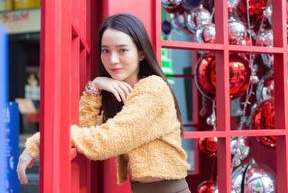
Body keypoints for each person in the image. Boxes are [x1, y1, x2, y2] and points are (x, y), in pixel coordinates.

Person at [17, 13, 191, 193]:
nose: (112, 59)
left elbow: (107, 140)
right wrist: (95, 86)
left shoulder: (153, 88)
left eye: (122, 50)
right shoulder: (125, 94)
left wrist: (41, 140)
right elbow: (85, 128)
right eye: (106, 50)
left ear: (140, 53)